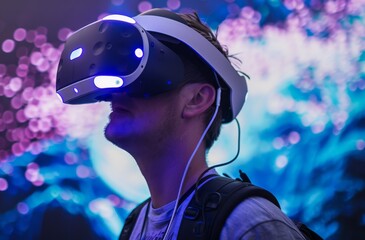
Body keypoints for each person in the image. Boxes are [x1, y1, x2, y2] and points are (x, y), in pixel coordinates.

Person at [102, 10, 305, 240]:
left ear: (197, 99)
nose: (115, 91)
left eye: (141, 73)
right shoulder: (134, 226)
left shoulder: (248, 222)